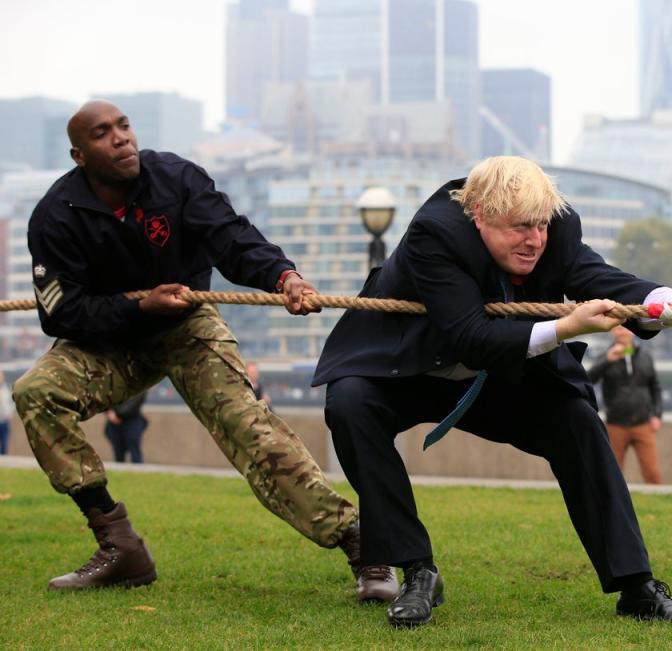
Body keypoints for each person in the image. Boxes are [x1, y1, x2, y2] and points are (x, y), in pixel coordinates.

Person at [314, 156, 672, 627]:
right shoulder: (434, 232)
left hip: (503, 375)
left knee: (577, 423)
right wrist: (565, 326)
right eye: (520, 227)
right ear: (478, 213)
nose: (534, 240)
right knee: (349, 405)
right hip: (407, 368)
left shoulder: (556, 227)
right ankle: (417, 572)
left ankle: (637, 587)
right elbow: (470, 335)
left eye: (540, 225)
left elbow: (601, 278)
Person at [12, 100, 397, 603]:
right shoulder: (54, 217)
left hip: (186, 327)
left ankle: (363, 545)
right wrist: (139, 307)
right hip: (108, 342)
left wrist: (284, 276)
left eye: (124, 126)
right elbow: (60, 315)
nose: (121, 138)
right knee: (35, 393)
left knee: (249, 428)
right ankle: (119, 545)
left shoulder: (175, 177)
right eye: (103, 134)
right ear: (79, 155)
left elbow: (232, 238)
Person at [588, 326, 664, 483]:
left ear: (633, 331)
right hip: (616, 424)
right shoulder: (606, 356)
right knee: (613, 472)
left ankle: (658, 502)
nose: (623, 332)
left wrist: (657, 414)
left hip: (642, 423)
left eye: (627, 329)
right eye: (619, 329)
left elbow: (655, 387)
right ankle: (612, 505)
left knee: (652, 472)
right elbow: (588, 380)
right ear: (613, 332)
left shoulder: (645, 356)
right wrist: (607, 360)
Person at [104, 392, 149, 464]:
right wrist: (109, 412)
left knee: (134, 450)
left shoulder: (139, 387)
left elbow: (135, 401)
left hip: (131, 421)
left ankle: (137, 470)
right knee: (118, 451)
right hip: (114, 423)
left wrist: (116, 414)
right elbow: (105, 396)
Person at [0, 371, 12, 455]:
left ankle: (4, 460)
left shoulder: (7, 389)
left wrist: (10, 413)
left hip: (5, 420)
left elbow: (11, 403)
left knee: (4, 442)